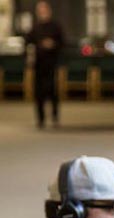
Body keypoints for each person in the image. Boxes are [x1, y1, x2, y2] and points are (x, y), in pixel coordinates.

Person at [26, 1, 64, 129]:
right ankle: (40, 119)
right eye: (40, 10)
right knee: (38, 92)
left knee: (52, 90)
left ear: (49, 11)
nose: (42, 12)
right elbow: (28, 45)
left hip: (51, 63)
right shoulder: (34, 28)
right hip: (38, 64)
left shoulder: (56, 26)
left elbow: (63, 43)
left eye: (44, 10)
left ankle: (54, 117)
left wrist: (52, 44)